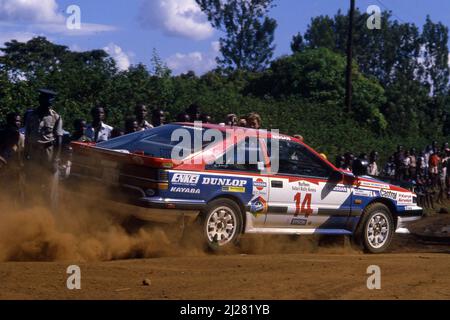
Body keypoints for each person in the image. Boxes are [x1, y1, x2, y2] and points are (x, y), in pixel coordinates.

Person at [24, 89, 63, 172]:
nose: (49, 104)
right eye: (46, 101)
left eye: (50, 102)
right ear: (40, 100)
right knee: (31, 177)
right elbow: (27, 136)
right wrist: (26, 153)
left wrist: (55, 160)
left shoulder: (56, 117)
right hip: (33, 151)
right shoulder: (31, 115)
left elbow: (59, 140)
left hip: (47, 152)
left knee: (46, 178)